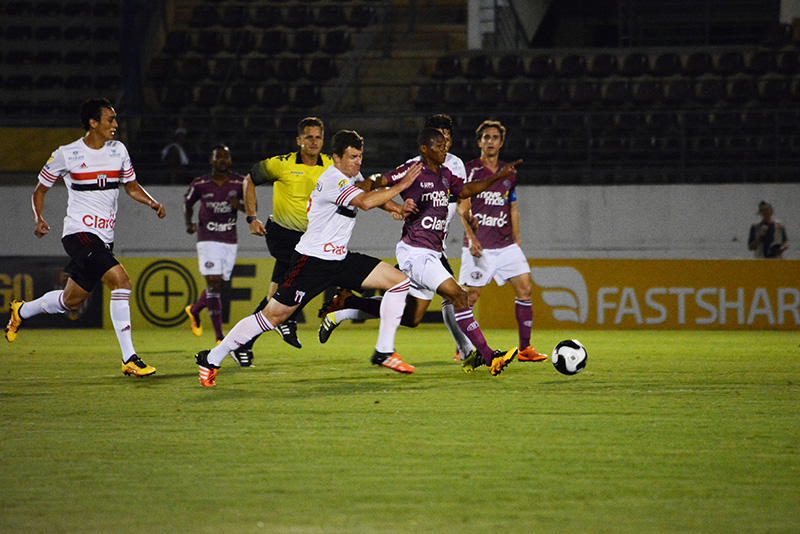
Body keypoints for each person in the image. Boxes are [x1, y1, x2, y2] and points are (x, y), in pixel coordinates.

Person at [194, 130, 421, 386]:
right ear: (336, 158)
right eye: (352, 157)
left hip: (339, 259)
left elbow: (367, 194)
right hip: (311, 262)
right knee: (272, 317)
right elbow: (365, 202)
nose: (358, 161)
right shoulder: (333, 179)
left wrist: (396, 208)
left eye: (360, 156)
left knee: (399, 282)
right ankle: (211, 358)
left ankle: (384, 351)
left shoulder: (350, 177)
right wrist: (401, 187)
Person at [319, 128, 520, 376]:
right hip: (415, 252)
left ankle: (347, 305)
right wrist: (366, 188)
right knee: (459, 296)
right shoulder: (413, 170)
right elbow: (379, 180)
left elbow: (466, 190)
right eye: (439, 145)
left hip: (432, 253)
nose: (444, 149)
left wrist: (498, 176)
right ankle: (487, 356)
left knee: (412, 318)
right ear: (424, 149)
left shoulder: (445, 174)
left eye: (445, 144)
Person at [4, 98, 166, 377]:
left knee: (72, 301)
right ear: (93, 122)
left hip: (104, 238)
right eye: (110, 120)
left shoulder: (119, 150)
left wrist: (152, 202)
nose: (116, 125)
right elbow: (40, 190)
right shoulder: (67, 154)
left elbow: (131, 186)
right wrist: (39, 219)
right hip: (78, 233)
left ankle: (22, 311)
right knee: (122, 282)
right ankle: (129, 358)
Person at [318, 113, 475, 361]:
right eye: (438, 138)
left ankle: (347, 307)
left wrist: (469, 221)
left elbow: (461, 198)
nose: (443, 143)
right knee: (454, 294)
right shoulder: (415, 165)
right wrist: (398, 207)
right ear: (426, 143)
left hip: (436, 244)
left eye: (446, 137)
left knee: (412, 317)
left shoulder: (455, 165)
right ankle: (468, 351)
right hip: (419, 244)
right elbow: (384, 184)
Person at [234, 117, 334, 363]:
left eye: (318, 137)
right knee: (310, 279)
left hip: (311, 238)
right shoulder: (282, 164)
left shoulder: (332, 165)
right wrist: (251, 217)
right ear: (299, 140)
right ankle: (287, 321)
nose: (314, 142)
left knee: (276, 297)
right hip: (284, 234)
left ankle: (242, 344)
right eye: (309, 137)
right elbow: (249, 180)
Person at [458, 120, 547, 362]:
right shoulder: (470, 170)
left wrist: (517, 239)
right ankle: (463, 346)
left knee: (525, 288)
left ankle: (525, 349)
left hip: (505, 243)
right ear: (479, 142)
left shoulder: (509, 173)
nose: (490, 141)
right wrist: (471, 237)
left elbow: (512, 207)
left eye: (495, 137)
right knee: (470, 295)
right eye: (486, 137)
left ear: (501, 143)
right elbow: (462, 206)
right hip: (479, 245)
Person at [183, 145, 246, 350]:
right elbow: (188, 203)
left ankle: (194, 310)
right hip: (207, 238)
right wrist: (189, 223)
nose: (222, 160)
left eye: (226, 156)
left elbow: (252, 206)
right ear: (211, 160)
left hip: (229, 240)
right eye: (218, 156)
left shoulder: (239, 182)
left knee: (220, 286)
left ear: (230, 160)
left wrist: (240, 206)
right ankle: (220, 338)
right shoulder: (200, 184)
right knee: (214, 283)